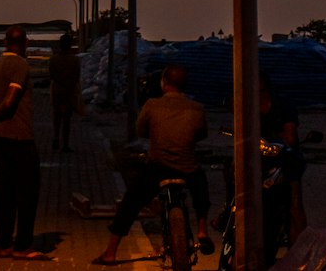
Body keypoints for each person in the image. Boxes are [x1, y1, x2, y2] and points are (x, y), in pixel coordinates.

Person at [94, 63, 213, 265]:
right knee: (202, 189)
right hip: (188, 167)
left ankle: (111, 251)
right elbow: (202, 134)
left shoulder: (151, 105)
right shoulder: (197, 108)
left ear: (164, 83)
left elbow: (141, 131)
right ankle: (202, 229)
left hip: (158, 166)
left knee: (130, 203)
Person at [0, 24, 50, 259]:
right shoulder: (20, 64)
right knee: (28, 191)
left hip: (1, 139)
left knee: (5, 192)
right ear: (25, 43)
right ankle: (23, 245)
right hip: (20, 135)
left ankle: (5, 244)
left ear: (6, 42)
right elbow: (9, 101)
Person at [258, 72, 304, 262]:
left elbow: (291, 135)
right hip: (258, 161)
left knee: (295, 203)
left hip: (286, 158)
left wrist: (279, 142)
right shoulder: (246, 104)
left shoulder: (283, 105)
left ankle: (300, 253)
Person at [48, 33, 82, 153]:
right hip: (69, 91)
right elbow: (77, 76)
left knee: (56, 116)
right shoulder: (75, 60)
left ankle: (56, 137)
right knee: (67, 119)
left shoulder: (53, 59)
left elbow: (51, 75)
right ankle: (65, 144)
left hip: (57, 90)